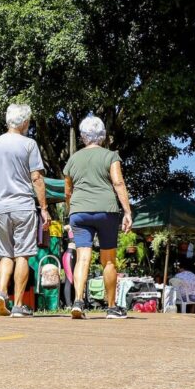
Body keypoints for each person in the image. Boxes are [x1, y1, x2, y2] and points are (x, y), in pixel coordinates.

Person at [0, 103, 50, 318]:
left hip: (1, 208)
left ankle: (2, 292)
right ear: (23, 122)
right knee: (22, 254)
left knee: (5, 253)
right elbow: (37, 178)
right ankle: (19, 305)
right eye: (28, 121)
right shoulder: (29, 144)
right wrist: (45, 209)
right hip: (23, 206)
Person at [62, 116, 132, 319]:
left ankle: (77, 302)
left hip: (79, 212)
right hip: (106, 211)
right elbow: (118, 184)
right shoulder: (111, 156)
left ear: (83, 136)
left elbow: (68, 190)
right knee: (108, 260)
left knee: (82, 257)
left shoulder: (73, 159)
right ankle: (111, 308)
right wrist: (127, 211)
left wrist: (71, 209)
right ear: (102, 135)